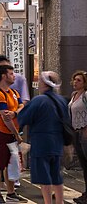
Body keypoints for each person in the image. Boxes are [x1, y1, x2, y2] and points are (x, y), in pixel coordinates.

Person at [15, 71, 66, 204]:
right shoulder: (61, 100)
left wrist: (18, 111)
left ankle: (48, 202)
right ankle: (60, 202)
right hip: (57, 143)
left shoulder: (39, 100)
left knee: (44, 178)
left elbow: (23, 118)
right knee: (56, 176)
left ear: (43, 83)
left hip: (41, 143)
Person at [0, 63, 27, 204]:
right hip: (1, 132)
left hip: (12, 133)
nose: (14, 76)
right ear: (4, 76)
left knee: (12, 164)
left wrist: (15, 112)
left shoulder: (13, 93)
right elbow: (5, 118)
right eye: (11, 73)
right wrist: (17, 134)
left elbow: (22, 105)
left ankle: (11, 193)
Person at [69, 70, 87, 204]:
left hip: (84, 132)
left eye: (79, 80)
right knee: (84, 165)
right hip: (76, 132)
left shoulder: (85, 95)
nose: (75, 82)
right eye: (74, 80)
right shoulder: (74, 95)